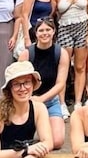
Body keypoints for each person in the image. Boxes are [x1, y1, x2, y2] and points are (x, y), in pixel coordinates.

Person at [52, 0, 88, 113]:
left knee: (80, 67)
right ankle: (61, 103)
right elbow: (54, 15)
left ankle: (77, 102)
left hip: (82, 28)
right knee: (64, 66)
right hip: (64, 29)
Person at [25, 17, 69, 149]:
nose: (45, 33)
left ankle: (44, 131)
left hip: (50, 100)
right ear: (36, 33)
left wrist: (42, 99)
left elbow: (60, 84)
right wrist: (32, 100)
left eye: (48, 30)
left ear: (54, 31)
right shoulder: (27, 54)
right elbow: (19, 82)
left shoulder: (61, 53)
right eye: (41, 30)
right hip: (29, 101)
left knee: (57, 141)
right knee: (21, 140)